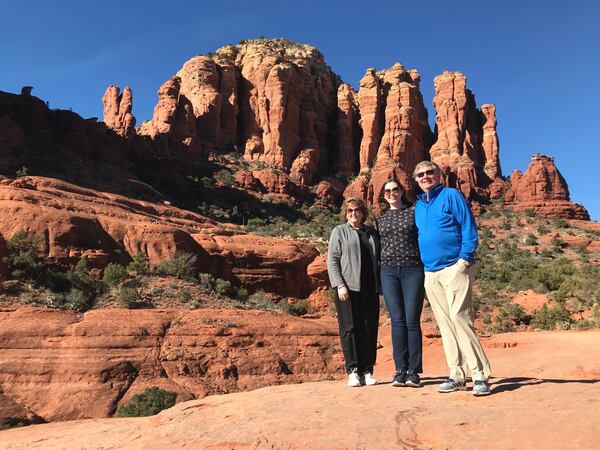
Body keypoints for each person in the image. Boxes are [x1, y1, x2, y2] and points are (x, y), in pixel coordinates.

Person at [413, 161, 492, 396]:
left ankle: (480, 376)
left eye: (430, 172)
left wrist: (465, 259)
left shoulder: (450, 195)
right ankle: (457, 375)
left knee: (460, 318)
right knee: (446, 324)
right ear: (416, 179)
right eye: (421, 174)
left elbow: (468, 225)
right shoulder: (419, 205)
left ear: (439, 175)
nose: (425, 176)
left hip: (455, 267)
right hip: (431, 272)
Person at [327, 197, 381, 387]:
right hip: (348, 288)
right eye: (350, 211)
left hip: (370, 288)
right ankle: (353, 370)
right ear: (345, 213)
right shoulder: (339, 232)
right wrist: (339, 285)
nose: (353, 214)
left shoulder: (372, 233)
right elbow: (332, 260)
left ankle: (367, 371)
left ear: (363, 213)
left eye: (357, 210)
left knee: (369, 328)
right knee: (349, 328)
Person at [376, 178, 425, 388]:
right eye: (388, 191)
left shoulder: (414, 211)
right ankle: (400, 370)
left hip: (413, 269)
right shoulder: (380, 217)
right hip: (388, 271)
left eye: (395, 190)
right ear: (383, 195)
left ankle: (414, 372)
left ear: (401, 192)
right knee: (397, 320)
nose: (392, 193)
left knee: (412, 320)